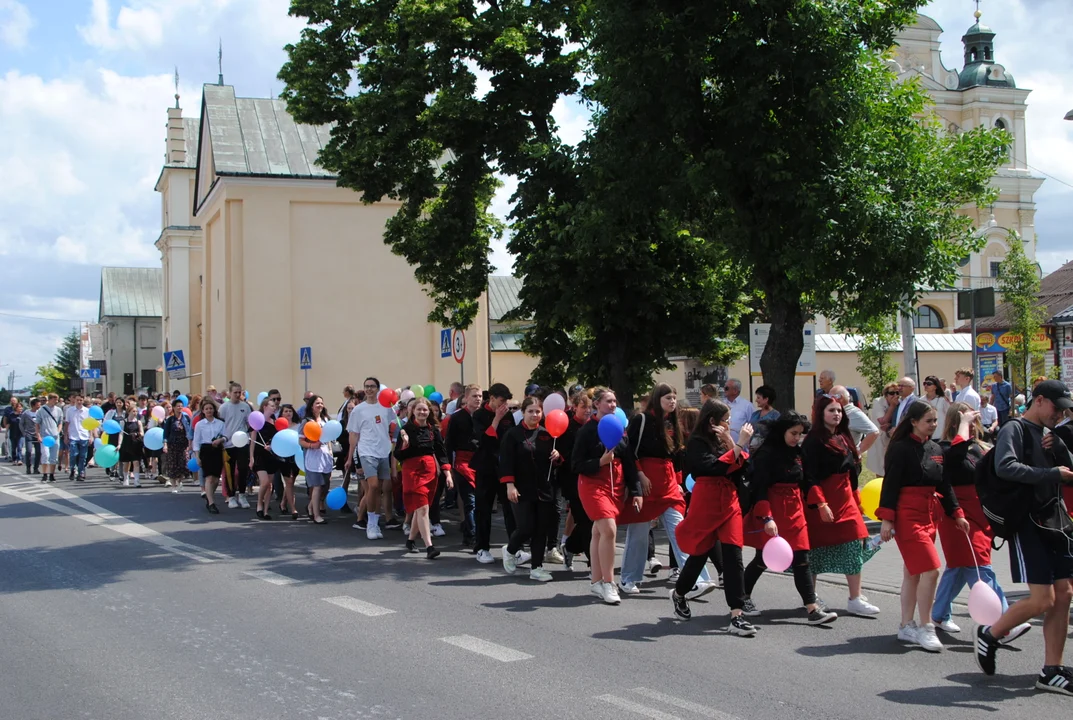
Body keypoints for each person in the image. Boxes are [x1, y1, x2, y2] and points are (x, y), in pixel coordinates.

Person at [975, 380, 1073, 693]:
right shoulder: (1014, 429)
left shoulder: (1050, 434)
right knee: (1044, 599)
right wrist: (1052, 473)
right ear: (1040, 400)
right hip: (1028, 522)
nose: (1060, 414)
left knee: (1065, 594)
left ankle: (1051, 671)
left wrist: (1060, 453)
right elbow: (1005, 467)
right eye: (1057, 408)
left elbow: (1067, 469)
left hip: (1055, 520)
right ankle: (991, 633)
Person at [932, 403, 1029, 641]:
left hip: (981, 514)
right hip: (957, 516)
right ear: (957, 423)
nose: (974, 427)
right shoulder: (945, 448)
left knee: (958, 568)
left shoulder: (981, 448)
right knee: (980, 567)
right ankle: (1003, 624)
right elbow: (955, 457)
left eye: (975, 422)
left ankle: (937, 614)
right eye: (968, 422)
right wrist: (962, 425)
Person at [877, 400, 968, 652]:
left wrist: (957, 512)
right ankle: (927, 626)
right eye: (928, 421)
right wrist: (887, 518)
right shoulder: (900, 449)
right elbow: (891, 483)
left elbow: (944, 484)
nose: (933, 425)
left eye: (935, 420)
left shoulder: (935, 447)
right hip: (907, 514)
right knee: (931, 570)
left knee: (913, 572)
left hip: (929, 515)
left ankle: (906, 625)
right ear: (914, 422)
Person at [742, 412, 838, 625]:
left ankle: (812, 609)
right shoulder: (766, 453)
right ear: (782, 431)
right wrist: (767, 517)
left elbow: (808, 480)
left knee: (802, 559)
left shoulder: (798, 453)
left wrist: (821, 504)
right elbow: (759, 488)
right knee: (763, 559)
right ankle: (743, 596)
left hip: (795, 510)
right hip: (773, 509)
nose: (797, 438)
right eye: (793, 433)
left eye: (800, 434)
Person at [669, 400, 756, 636]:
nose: (729, 424)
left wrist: (732, 443)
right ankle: (679, 594)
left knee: (734, 557)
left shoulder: (725, 440)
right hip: (706, 502)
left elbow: (745, 469)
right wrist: (737, 446)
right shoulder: (696, 442)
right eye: (726, 420)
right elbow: (713, 468)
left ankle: (736, 615)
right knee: (698, 556)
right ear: (712, 421)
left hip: (729, 503)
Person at [620, 383, 713, 597]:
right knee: (639, 534)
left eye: (674, 397)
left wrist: (679, 482)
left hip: (668, 483)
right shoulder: (641, 420)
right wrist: (640, 474)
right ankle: (629, 578)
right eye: (667, 397)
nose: (672, 401)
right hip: (647, 483)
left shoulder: (673, 421)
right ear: (657, 399)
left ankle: (697, 579)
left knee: (680, 530)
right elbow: (629, 451)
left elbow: (676, 456)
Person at [803, 395, 880, 616]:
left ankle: (855, 597)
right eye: (831, 410)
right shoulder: (813, 441)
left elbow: (852, 471)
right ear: (820, 413)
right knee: (815, 550)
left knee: (854, 544)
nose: (836, 414)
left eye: (839, 410)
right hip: (823, 500)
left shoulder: (844, 437)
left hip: (846, 498)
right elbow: (809, 476)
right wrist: (821, 503)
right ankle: (811, 596)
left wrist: (856, 499)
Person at [573, 387, 641, 605]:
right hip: (593, 485)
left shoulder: (620, 428)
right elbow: (576, 465)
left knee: (599, 532)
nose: (613, 405)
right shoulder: (586, 431)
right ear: (596, 404)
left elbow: (629, 462)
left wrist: (636, 491)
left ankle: (596, 581)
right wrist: (599, 463)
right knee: (609, 530)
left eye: (614, 401)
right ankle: (610, 583)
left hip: (615, 486)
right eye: (608, 401)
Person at [497, 395, 559, 580]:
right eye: (530, 411)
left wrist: (557, 456)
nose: (534, 414)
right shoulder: (512, 435)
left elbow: (553, 463)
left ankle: (536, 568)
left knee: (541, 529)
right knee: (526, 527)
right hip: (521, 488)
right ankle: (510, 550)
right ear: (523, 413)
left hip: (543, 489)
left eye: (537, 411)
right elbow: (506, 462)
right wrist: (510, 485)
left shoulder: (546, 434)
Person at [395, 396, 452, 557]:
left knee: (421, 508)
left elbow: (441, 453)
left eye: (425, 409)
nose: (422, 412)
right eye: (418, 409)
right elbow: (398, 454)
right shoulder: (405, 429)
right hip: (412, 472)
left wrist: (447, 474)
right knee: (423, 508)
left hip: (430, 471)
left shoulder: (434, 430)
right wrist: (405, 444)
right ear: (412, 411)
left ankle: (410, 540)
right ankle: (429, 546)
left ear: (429, 412)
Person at [345, 377, 399, 540]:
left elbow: (394, 424)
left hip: (383, 451)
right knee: (373, 486)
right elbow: (354, 434)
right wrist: (349, 457)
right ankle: (371, 524)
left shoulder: (386, 407)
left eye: (372, 387)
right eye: (366, 387)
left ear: (377, 389)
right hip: (366, 451)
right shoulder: (358, 410)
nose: (369, 389)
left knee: (380, 488)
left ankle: (375, 521)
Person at [473, 383, 518, 564]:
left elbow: (513, 437)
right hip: (485, 467)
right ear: (491, 398)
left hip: (504, 467)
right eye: (500, 401)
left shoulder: (508, 415)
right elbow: (482, 440)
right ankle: (482, 548)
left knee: (510, 508)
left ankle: (515, 548)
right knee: (483, 509)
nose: (503, 405)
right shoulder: (478, 415)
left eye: (505, 401)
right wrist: (496, 420)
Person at [558, 388, 595, 571]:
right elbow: (566, 456)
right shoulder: (568, 427)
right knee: (585, 520)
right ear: (574, 408)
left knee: (591, 521)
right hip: (573, 481)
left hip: (592, 479)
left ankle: (570, 547)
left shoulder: (594, 426)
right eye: (583, 407)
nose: (587, 411)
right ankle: (593, 561)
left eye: (590, 407)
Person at [445, 384, 482, 550]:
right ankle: (473, 535)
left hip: (481, 462)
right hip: (463, 463)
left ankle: (470, 534)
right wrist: (448, 467)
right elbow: (449, 444)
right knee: (470, 502)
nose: (478, 399)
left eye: (480, 396)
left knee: (480, 502)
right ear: (466, 398)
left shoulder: (485, 416)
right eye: (474, 396)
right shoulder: (457, 417)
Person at [299, 395, 334, 525]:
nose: (319, 405)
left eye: (321, 403)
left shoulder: (326, 420)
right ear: (311, 406)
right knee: (317, 486)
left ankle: (310, 506)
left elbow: (329, 438)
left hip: (325, 456)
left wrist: (330, 453)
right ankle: (316, 515)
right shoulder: (307, 422)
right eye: (317, 403)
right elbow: (300, 441)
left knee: (325, 485)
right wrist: (311, 445)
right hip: (313, 456)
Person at [219, 382, 252, 509]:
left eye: (240, 392)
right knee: (230, 471)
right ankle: (231, 496)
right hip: (228, 444)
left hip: (242, 442)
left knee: (243, 469)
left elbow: (249, 423)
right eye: (235, 392)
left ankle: (242, 495)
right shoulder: (224, 407)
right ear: (230, 393)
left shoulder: (245, 406)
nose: (238, 395)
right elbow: (220, 424)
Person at [193, 398, 225, 514]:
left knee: (216, 479)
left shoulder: (220, 423)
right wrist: (197, 456)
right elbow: (196, 441)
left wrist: (220, 440)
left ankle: (209, 495)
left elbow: (225, 436)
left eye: (210, 408)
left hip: (217, 450)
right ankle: (211, 503)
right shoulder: (199, 425)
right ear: (203, 411)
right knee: (209, 477)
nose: (209, 410)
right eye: (206, 409)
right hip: (205, 450)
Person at [250, 397, 280, 520]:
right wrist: (251, 457)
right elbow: (252, 441)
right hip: (259, 455)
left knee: (270, 485)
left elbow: (278, 440)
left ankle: (266, 510)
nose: (274, 408)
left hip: (271, 455)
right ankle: (259, 504)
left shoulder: (275, 422)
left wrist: (272, 447)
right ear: (265, 407)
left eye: (275, 406)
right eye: (272, 406)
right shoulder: (257, 420)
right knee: (265, 482)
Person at [832, 385, 879, 454]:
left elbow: (874, 432)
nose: (828, 400)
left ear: (840, 398)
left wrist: (857, 451)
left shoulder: (854, 413)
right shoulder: (838, 412)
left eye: (831, 397)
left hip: (846, 459)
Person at [867, 383, 900, 478]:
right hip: (880, 438)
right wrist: (892, 406)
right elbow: (882, 421)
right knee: (880, 465)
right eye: (891, 393)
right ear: (885, 394)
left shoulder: (900, 402)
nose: (895, 395)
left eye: (897, 393)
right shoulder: (878, 402)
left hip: (892, 437)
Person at [161, 400, 192, 491]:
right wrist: (165, 444)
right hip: (172, 445)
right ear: (174, 408)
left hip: (183, 445)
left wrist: (190, 443)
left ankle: (179, 480)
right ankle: (174, 485)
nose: (180, 408)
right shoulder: (170, 420)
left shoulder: (186, 418)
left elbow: (190, 431)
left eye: (181, 406)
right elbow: (165, 434)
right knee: (173, 465)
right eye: (178, 406)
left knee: (183, 464)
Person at [277, 404, 301, 519]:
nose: (288, 413)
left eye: (290, 411)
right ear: (281, 414)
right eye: (286, 411)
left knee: (291, 481)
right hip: (283, 457)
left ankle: (283, 503)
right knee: (289, 483)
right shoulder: (279, 427)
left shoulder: (298, 426)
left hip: (296, 456)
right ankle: (293, 509)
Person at [63, 393, 91, 482]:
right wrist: (66, 436)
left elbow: (90, 424)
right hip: (73, 436)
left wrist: (91, 436)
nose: (79, 402)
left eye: (81, 400)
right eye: (77, 400)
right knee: (73, 454)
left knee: (83, 456)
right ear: (75, 400)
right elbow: (67, 423)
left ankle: (81, 472)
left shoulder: (87, 411)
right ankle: (72, 469)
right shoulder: (70, 410)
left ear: (83, 401)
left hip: (84, 435)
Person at [117, 398, 145, 487]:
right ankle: (126, 478)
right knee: (127, 462)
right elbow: (121, 433)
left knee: (136, 462)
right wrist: (119, 444)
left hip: (136, 444)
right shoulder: (123, 422)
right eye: (133, 411)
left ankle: (137, 480)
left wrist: (138, 434)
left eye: (136, 411)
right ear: (129, 412)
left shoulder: (138, 422)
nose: (135, 413)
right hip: (126, 443)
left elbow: (142, 433)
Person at [35, 393, 63, 483]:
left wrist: (58, 431)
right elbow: (37, 424)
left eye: (57, 399)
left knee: (54, 457)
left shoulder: (58, 410)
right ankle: (44, 474)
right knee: (45, 455)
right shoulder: (41, 410)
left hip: (55, 436)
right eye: (55, 399)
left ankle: (51, 475)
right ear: (50, 399)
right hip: (45, 436)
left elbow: (60, 422)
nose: (57, 401)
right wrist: (38, 435)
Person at [723, 379, 754, 444]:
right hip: (723, 446)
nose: (724, 390)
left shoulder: (747, 406)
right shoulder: (721, 404)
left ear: (735, 391)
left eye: (726, 388)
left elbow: (752, 425)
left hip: (740, 446)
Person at [919, 375, 950, 441]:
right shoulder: (921, 400)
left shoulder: (943, 400)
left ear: (935, 386)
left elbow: (949, 416)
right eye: (925, 383)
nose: (926, 385)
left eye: (929, 384)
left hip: (940, 436)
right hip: (926, 436)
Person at [20, 398, 41, 477]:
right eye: (37, 405)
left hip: (38, 434)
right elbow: (21, 423)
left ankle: (36, 468)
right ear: (33, 405)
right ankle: (28, 467)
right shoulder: (26, 413)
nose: (39, 406)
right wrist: (24, 432)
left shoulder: (40, 413)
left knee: (39, 452)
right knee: (28, 451)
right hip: (29, 434)